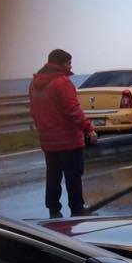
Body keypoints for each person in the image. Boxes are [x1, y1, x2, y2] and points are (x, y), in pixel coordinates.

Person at [29, 49, 97, 217]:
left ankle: (53, 209)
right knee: (73, 176)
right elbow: (73, 110)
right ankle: (77, 209)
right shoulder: (62, 83)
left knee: (53, 175)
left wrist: (42, 130)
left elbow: (34, 111)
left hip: (48, 140)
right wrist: (88, 129)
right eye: (69, 63)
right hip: (68, 139)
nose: (71, 66)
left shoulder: (34, 84)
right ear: (61, 64)